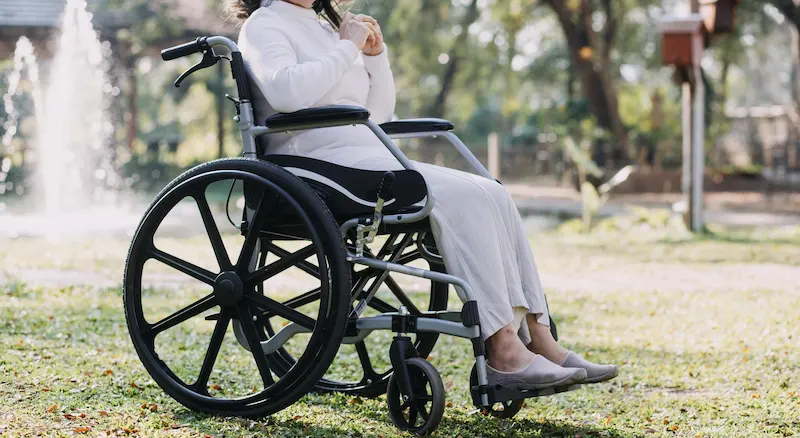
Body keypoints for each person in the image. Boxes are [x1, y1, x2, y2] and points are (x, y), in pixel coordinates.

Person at [225, 0, 619, 390]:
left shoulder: (328, 26)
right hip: (313, 165)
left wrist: (375, 58)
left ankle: (539, 337)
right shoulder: (266, 25)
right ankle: (502, 349)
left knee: (492, 192)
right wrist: (347, 47)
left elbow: (376, 116)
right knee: (463, 199)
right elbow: (289, 95)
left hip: (367, 154)